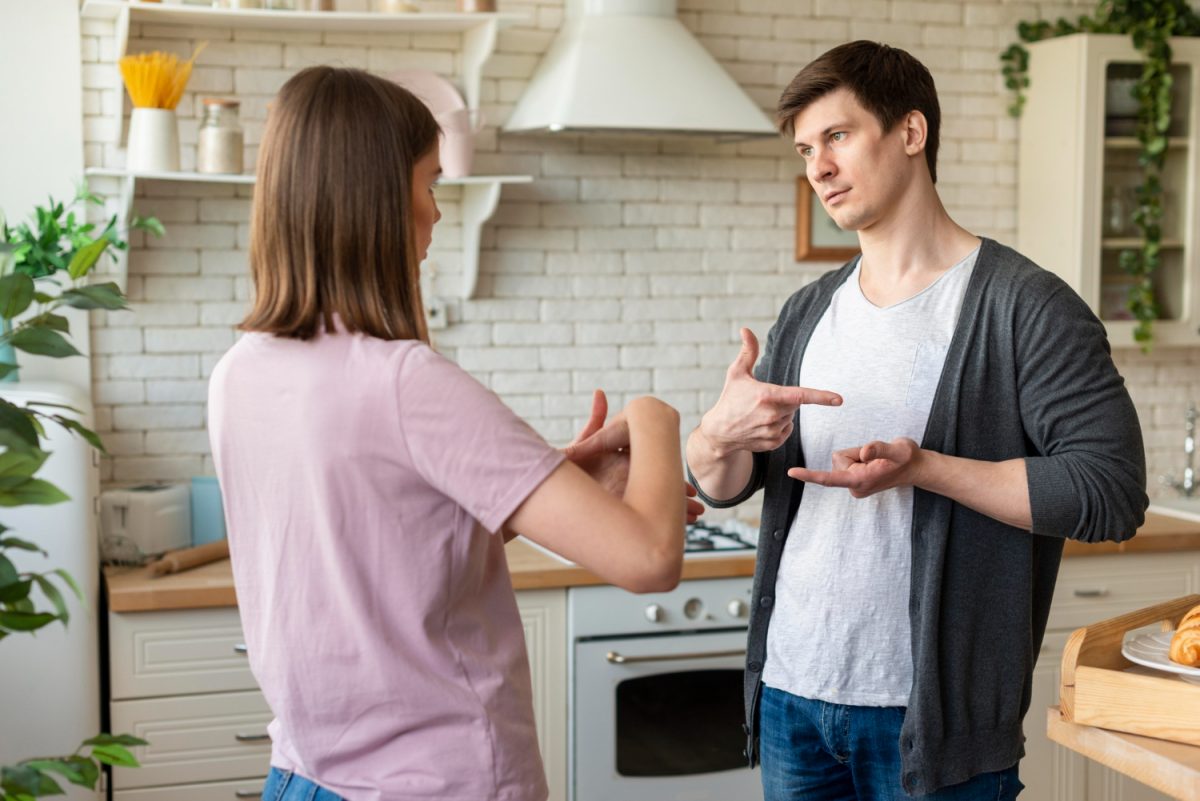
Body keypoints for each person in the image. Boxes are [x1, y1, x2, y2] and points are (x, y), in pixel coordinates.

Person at [207, 66, 697, 801]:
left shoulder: (239, 370)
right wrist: (658, 417)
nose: (435, 213)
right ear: (374, 197)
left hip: (304, 776)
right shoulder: (405, 380)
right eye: (429, 183)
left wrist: (535, 482)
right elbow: (651, 557)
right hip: (439, 781)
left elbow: (380, 542)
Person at [685, 40, 1147, 799]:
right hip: (792, 697)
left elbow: (1110, 492)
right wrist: (713, 435)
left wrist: (928, 468)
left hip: (928, 722)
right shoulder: (808, 312)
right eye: (806, 149)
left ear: (910, 131)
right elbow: (727, 481)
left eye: (837, 136)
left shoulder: (1024, 308)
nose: (818, 167)